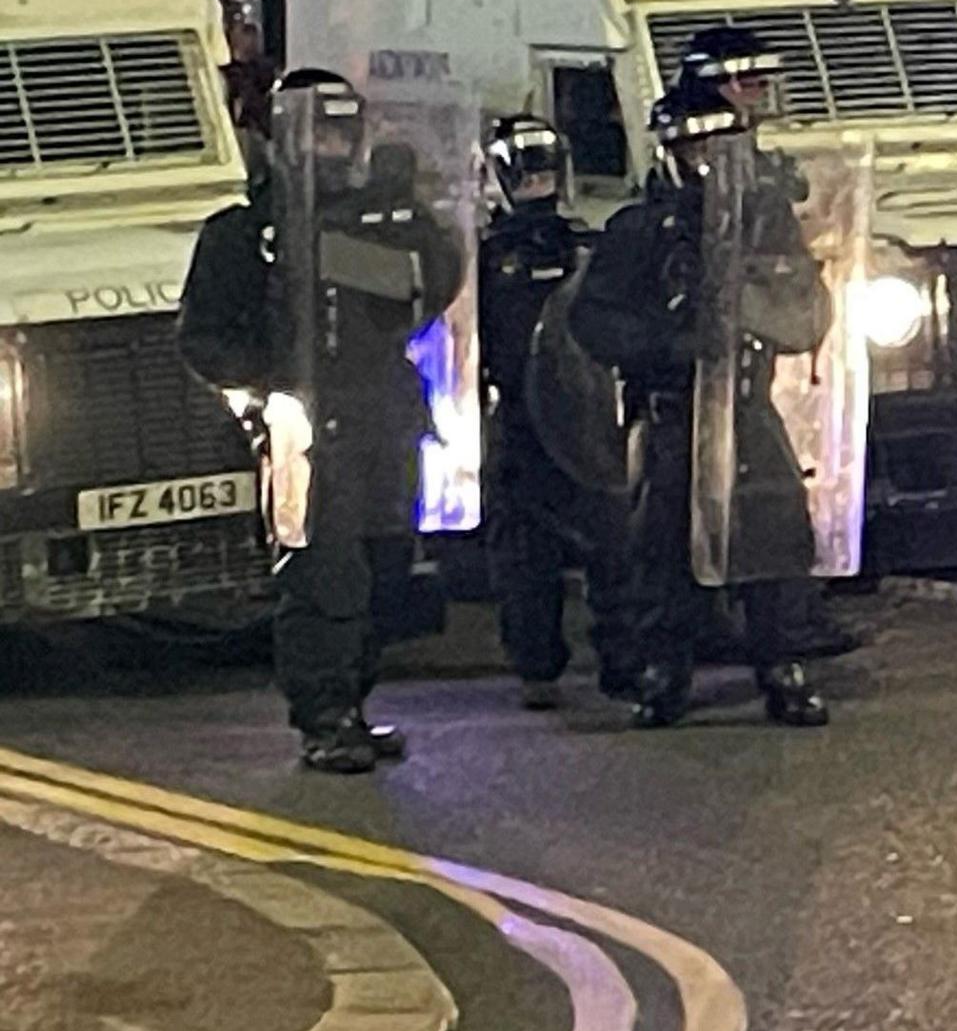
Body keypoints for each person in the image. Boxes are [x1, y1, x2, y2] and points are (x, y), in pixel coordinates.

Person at [178, 70, 467, 772]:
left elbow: (432, 288)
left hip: (382, 419)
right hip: (303, 430)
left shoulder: (377, 217)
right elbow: (207, 336)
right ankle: (325, 714)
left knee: (385, 570)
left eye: (344, 132)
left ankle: (355, 704)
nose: (334, 147)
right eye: (321, 132)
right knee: (323, 575)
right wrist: (266, 387)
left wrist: (402, 216)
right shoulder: (247, 234)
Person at [571, 82, 833, 729]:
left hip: (747, 406)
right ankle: (665, 671)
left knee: (774, 537)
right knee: (664, 548)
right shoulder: (639, 231)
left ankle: (782, 664)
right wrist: (669, 343)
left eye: (721, 147)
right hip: (672, 411)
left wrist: (756, 308)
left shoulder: (765, 223)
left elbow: (807, 311)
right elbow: (593, 321)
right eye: (696, 149)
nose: (709, 162)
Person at [475, 115, 634, 708]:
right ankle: (539, 666)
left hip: (583, 418)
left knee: (611, 543)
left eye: (545, 173)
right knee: (524, 552)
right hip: (518, 417)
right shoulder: (485, 259)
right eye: (527, 174)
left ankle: (621, 657)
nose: (538, 184)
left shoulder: (583, 249)